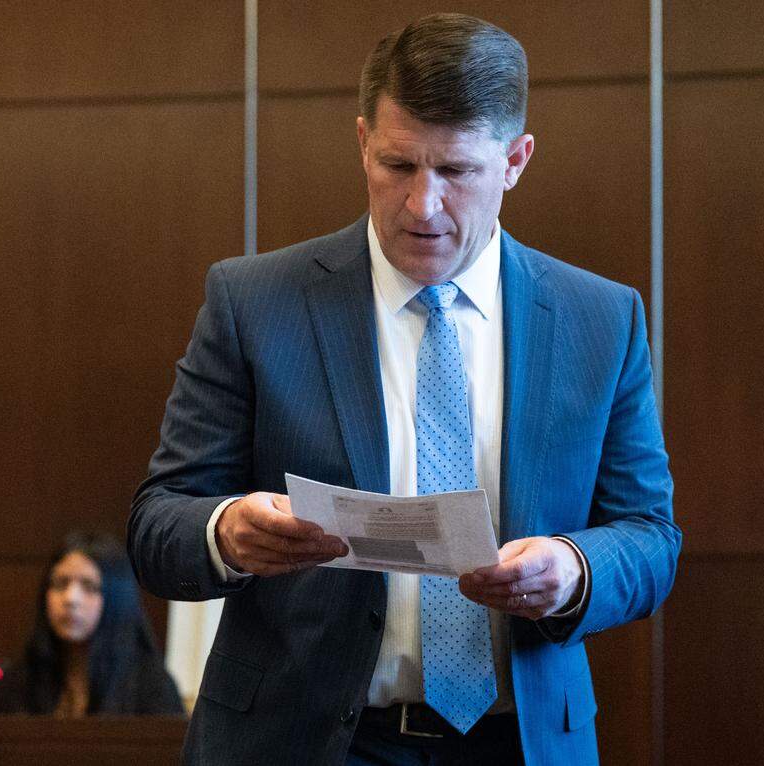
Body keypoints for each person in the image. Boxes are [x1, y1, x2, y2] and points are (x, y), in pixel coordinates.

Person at [128, 12, 679, 766]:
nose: (423, 205)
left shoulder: (600, 319)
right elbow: (158, 522)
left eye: (456, 172)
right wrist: (225, 532)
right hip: (301, 739)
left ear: (515, 161)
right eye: (398, 165)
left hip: (517, 743)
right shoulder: (254, 303)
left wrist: (574, 570)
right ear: (363, 142)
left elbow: (650, 537)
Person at [0, 531, 184, 717]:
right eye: (61, 584)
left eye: (89, 586)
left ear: (117, 600)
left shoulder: (150, 686)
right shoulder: (18, 680)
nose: (71, 599)